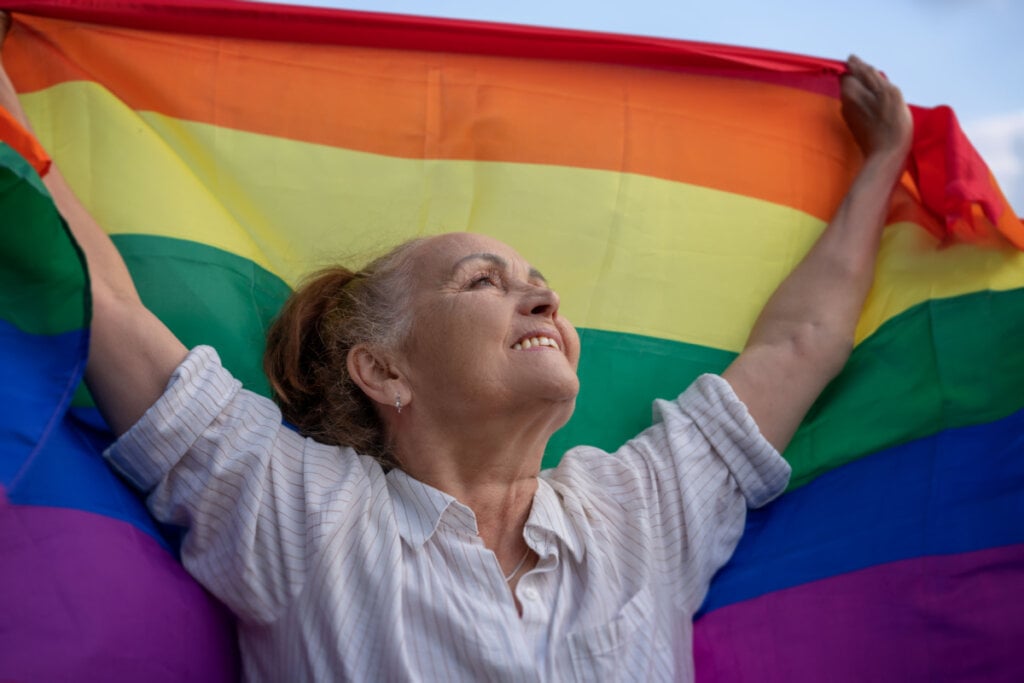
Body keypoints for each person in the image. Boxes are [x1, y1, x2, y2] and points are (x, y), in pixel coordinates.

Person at [1, 12, 912, 681]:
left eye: (539, 282)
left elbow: (800, 342)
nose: (540, 293)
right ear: (384, 368)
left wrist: (882, 167)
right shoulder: (298, 516)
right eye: (483, 281)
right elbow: (107, 306)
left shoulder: (643, 512)